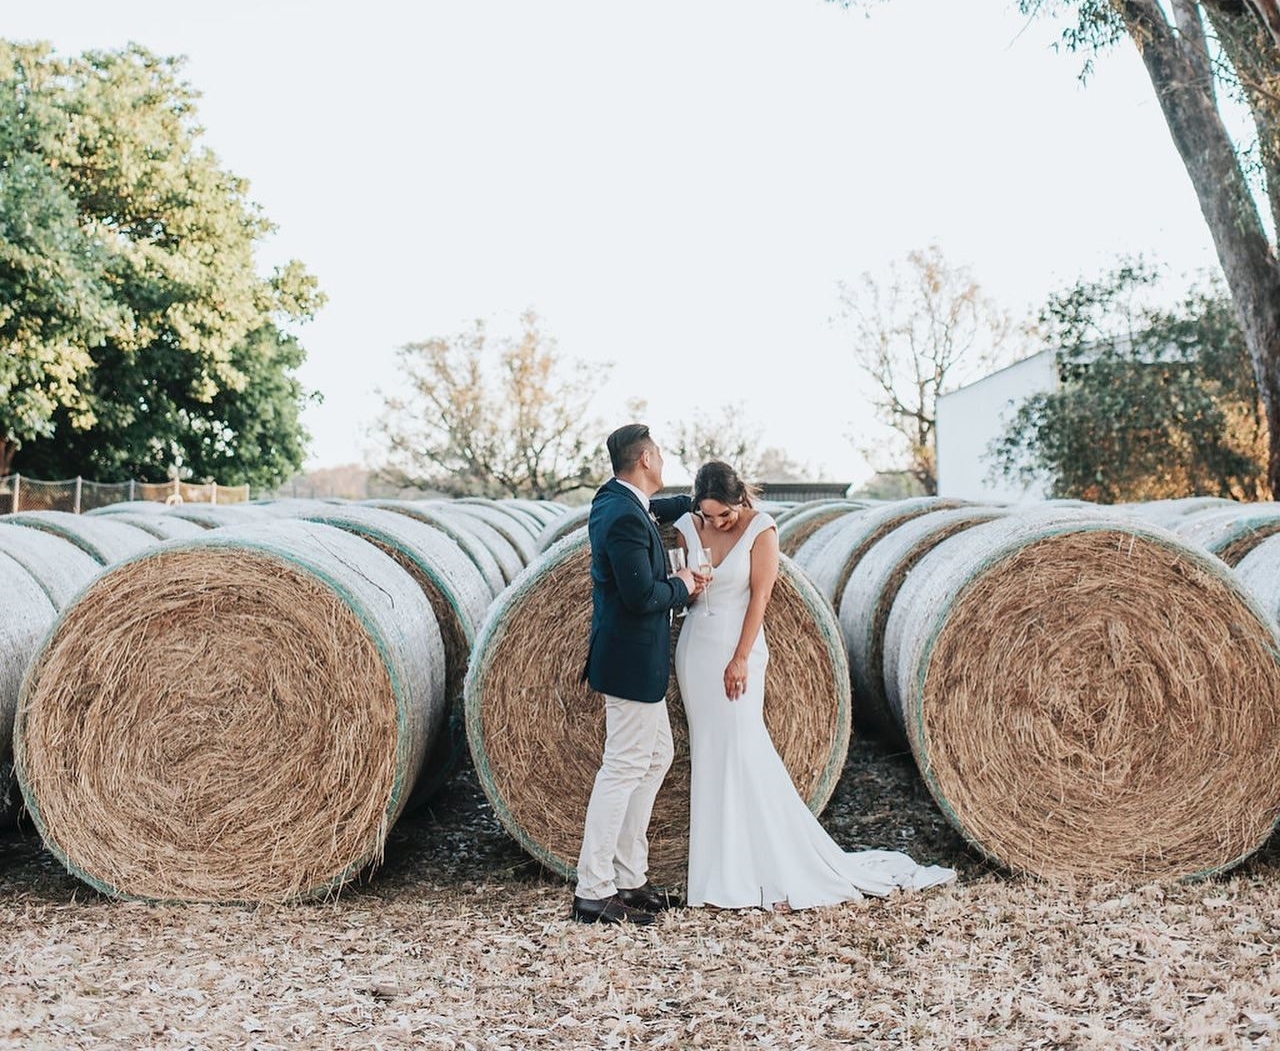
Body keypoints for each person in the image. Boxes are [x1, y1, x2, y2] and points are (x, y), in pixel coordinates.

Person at [672, 460, 956, 911]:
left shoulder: (761, 528)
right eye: (707, 515)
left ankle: (773, 864)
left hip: (738, 648)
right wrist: (683, 584)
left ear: (740, 501)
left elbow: (761, 596)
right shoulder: (688, 526)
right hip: (696, 651)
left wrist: (741, 657)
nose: (715, 523)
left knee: (745, 748)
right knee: (710, 754)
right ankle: (718, 876)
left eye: (722, 515)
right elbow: (681, 583)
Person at [572, 424, 705, 925]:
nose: (664, 460)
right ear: (646, 457)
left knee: (656, 756)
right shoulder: (623, 516)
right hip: (630, 661)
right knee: (624, 767)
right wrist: (684, 584)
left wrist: (697, 500)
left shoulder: (621, 502)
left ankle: (629, 875)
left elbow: (655, 511)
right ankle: (594, 889)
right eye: (661, 454)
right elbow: (641, 596)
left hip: (631, 660)